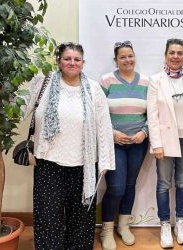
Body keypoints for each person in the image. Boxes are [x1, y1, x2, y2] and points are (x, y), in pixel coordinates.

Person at [24, 42, 115, 249]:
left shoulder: (93, 89)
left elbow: (104, 126)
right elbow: (22, 108)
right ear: (59, 61)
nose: (72, 63)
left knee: (81, 219)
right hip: (49, 163)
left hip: (84, 166)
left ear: (83, 63)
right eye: (67, 58)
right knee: (48, 217)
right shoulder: (43, 84)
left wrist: (106, 161)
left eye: (76, 59)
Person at [147, 38, 183, 249]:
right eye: (172, 52)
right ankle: (164, 225)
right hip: (165, 140)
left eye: (180, 53)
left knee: (182, 183)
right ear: (165, 55)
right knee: (163, 184)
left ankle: (180, 223)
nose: (175, 56)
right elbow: (152, 115)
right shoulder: (156, 80)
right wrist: (156, 143)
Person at [99, 41, 149, 250]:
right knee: (116, 187)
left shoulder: (145, 82)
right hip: (114, 144)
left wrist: (143, 132)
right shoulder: (107, 81)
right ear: (116, 60)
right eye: (122, 57)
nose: (127, 60)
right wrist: (112, 134)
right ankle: (106, 230)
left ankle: (123, 225)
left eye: (130, 56)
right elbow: (98, 114)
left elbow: (153, 113)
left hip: (138, 143)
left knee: (129, 185)